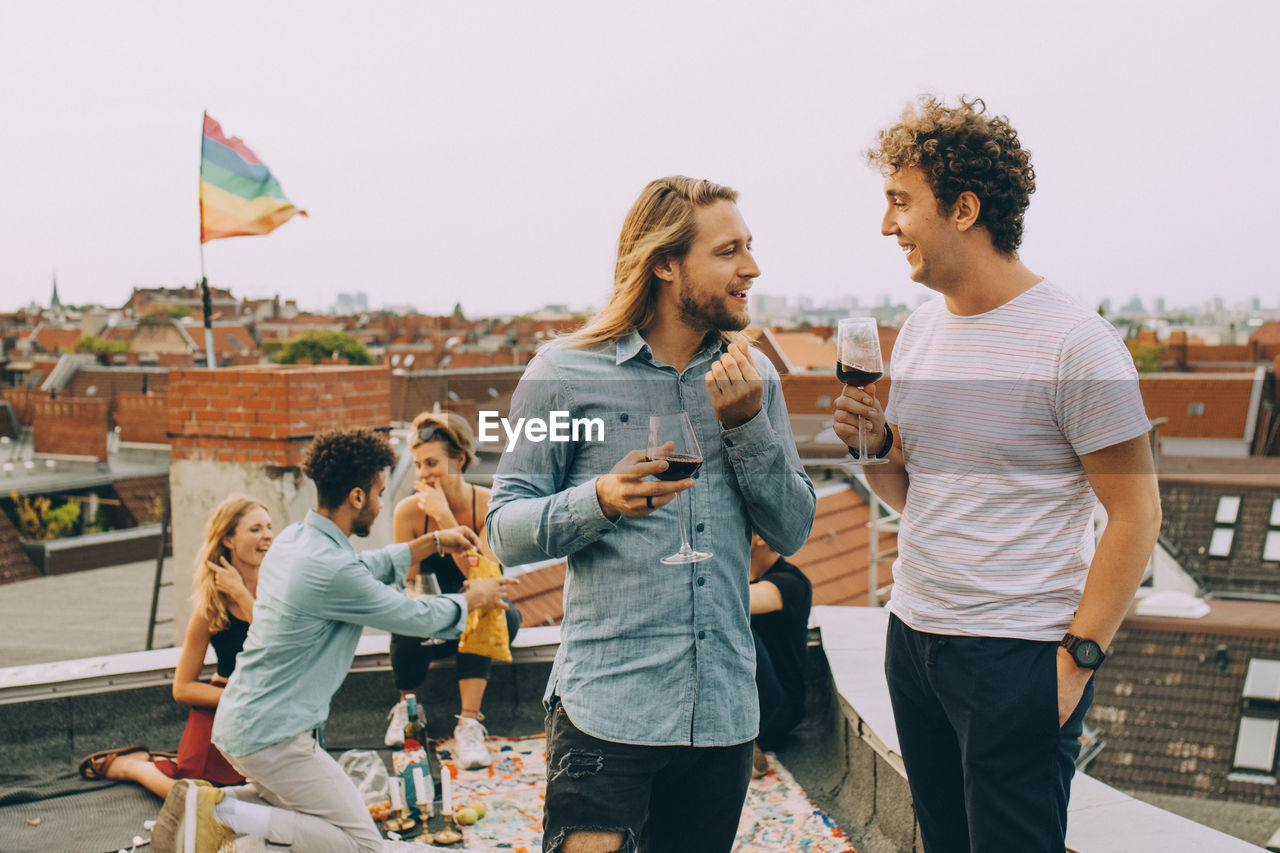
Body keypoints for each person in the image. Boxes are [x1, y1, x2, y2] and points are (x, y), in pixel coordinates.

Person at [836, 95, 1161, 853]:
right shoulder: (919, 332)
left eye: (901, 203)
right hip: (916, 638)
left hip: (1015, 656)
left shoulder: (1076, 343)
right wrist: (878, 445)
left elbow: (1136, 513)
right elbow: (914, 499)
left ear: (964, 208)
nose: (888, 226)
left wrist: (1075, 662)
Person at [487, 175, 816, 853]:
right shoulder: (564, 372)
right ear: (666, 264)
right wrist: (600, 499)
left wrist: (747, 424)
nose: (751, 267)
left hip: (722, 712)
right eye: (729, 251)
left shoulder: (756, 379)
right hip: (608, 708)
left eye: (750, 247)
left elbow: (792, 531)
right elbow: (503, 531)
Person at [151, 427, 515, 853]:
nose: (382, 504)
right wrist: (472, 599)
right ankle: (219, 813)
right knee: (361, 846)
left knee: (292, 810)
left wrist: (428, 543)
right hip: (271, 736)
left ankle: (209, 804)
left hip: (245, 724)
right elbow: (412, 615)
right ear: (357, 497)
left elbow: (359, 567)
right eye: (379, 494)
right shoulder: (331, 568)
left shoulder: (295, 540)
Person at [77, 495, 273, 798]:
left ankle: (160, 761)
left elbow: (274, 644)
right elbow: (182, 688)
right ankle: (133, 766)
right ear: (229, 540)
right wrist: (239, 698)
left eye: (269, 527)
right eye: (255, 529)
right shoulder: (211, 607)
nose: (267, 536)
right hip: (222, 708)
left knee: (268, 793)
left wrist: (242, 594)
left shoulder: (280, 591)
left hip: (267, 714)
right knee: (193, 798)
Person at [384, 410, 522, 769]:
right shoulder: (408, 513)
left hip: (477, 614)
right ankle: (408, 708)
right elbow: (409, 585)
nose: (423, 473)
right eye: (417, 465)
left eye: (432, 462)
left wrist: (445, 519)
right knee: (401, 611)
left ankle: (469, 725)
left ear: (459, 459)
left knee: (494, 609)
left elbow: (486, 580)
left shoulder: (488, 503)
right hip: (432, 617)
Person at [747, 533, 812, 779]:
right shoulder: (736, 577)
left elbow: (741, 600)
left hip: (778, 708)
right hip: (743, 698)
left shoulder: (791, 582)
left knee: (731, 621)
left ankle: (744, 743)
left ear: (761, 537)